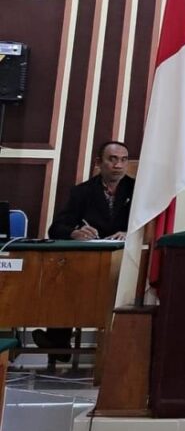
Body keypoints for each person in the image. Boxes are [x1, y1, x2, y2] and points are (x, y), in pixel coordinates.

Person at [39, 141, 135, 360]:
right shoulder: (82, 192)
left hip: (124, 262)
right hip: (88, 261)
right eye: (112, 159)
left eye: (123, 160)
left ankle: (117, 348)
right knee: (64, 282)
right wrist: (75, 232)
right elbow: (56, 228)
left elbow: (148, 226)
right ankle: (59, 343)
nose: (118, 165)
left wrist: (129, 232)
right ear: (99, 163)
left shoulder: (137, 190)